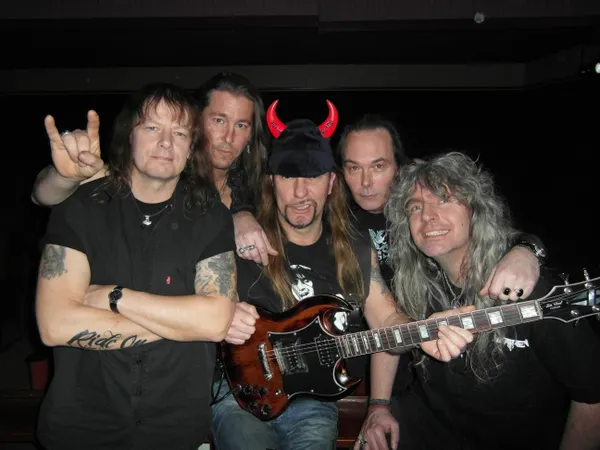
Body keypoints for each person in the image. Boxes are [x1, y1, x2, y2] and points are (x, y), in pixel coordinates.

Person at [211, 109, 474, 450]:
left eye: (314, 176)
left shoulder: (355, 248)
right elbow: (198, 298)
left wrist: (423, 331)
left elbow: (386, 319)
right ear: (271, 182)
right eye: (289, 177)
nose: (301, 192)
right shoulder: (242, 240)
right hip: (239, 393)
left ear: (331, 183)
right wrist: (222, 314)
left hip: (313, 402)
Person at [35, 83, 238, 450]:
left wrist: (115, 298)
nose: (166, 142)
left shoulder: (212, 219)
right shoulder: (80, 207)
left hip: (174, 431)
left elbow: (214, 322)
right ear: (129, 134)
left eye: (180, 133)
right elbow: (55, 326)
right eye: (152, 127)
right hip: (80, 427)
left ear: (191, 147)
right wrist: (183, 322)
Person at [359, 151, 600, 450]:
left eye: (444, 199)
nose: (427, 216)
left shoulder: (529, 289)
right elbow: (388, 336)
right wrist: (378, 407)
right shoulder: (414, 283)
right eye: (415, 207)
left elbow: (592, 397)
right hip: (432, 426)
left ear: (475, 210)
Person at [31, 72, 276, 263]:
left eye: (241, 125)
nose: (229, 137)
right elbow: (44, 195)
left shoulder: (260, 190)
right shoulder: (161, 172)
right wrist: (65, 177)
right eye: (219, 120)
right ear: (195, 122)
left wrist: (241, 213)